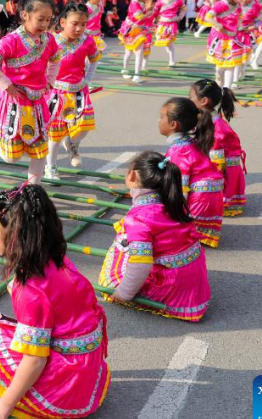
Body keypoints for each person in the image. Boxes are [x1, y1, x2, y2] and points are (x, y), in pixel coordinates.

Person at [0, 184, 110, 419]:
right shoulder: (57, 259)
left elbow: (35, 360)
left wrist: (5, 404)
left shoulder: (31, 289)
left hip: (65, 383)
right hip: (88, 370)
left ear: (11, 237)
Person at [99, 151, 211, 322]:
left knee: (110, 277)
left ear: (132, 175)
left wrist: (123, 293)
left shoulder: (138, 218)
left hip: (173, 286)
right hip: (194, 280)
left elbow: (141, 264)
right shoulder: (172, 201)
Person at [0, 0, 61, 185]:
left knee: (39, 149)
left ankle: (32, 189)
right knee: (12, 156)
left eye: (48, 20)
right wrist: (5, 84)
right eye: (40, 19)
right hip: (14, 100)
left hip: (37, 101)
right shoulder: (12, 40)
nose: (45, 24)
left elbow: (55, 59)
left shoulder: (49, 40)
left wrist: (50, 81)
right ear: (25, 15)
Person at [159, 97, 224, 248]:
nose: (158, 120)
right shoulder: (191, 143)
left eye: (162, 117)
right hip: (211, 201)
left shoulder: (179, 150)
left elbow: (180, 190)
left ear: (173, 124)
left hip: (200, 202)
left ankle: (189, 230)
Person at [46, 3, 101, 178]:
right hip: (56, 93)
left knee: (84, 126)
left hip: (79, 92)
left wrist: (87, 79)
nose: (79, 28)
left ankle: (72, 143)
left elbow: (93, 59)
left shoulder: (88, 41)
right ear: (63, 22)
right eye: (75, 23)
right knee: (55, 135)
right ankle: (51, 167)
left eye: (83, 24)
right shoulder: (51, 41)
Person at [189, 79, 246, 216]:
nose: (188, 100)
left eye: (191, 97)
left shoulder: (216, 127)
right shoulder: (204, 118)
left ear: (204, 101)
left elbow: (217, 163)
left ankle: (220, 198)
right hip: (217, 165)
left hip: (223, 170)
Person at [205, 0, 244, 89]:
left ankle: (226, 89)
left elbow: (240, 15)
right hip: (219, 38)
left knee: (230, 65)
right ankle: (218, 77)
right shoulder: (222, 4)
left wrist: (238, 27)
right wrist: (218, 26)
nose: (240, 0)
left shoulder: (238, 5)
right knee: (220, 67)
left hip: (232, 38)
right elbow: (208, 17)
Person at [117, 0, 153, 83]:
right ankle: (125, 69)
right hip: (131, 30)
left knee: (139, 52)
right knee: (129, 52)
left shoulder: (142, 2)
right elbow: (139, 17)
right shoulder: (134, 3)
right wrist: (148, 13)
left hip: (139, 30)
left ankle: (137, 74)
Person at [153, 0, 186, 66]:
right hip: (162, 23)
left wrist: (180, 17)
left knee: (169, 42)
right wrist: (155, 18)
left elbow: (184, 9)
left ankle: (172, 60)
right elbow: (154, 10)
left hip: (171, 24)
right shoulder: (160, 1)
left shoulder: (178, 0)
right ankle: (169, 52)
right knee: (159, 38)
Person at [83, 0, 106, 82]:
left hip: (96, 36)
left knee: (94, 60)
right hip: (86, 36)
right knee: (86, 61)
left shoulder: (99, 6)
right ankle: (84, 80)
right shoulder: (85, 8)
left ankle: (88, 80)